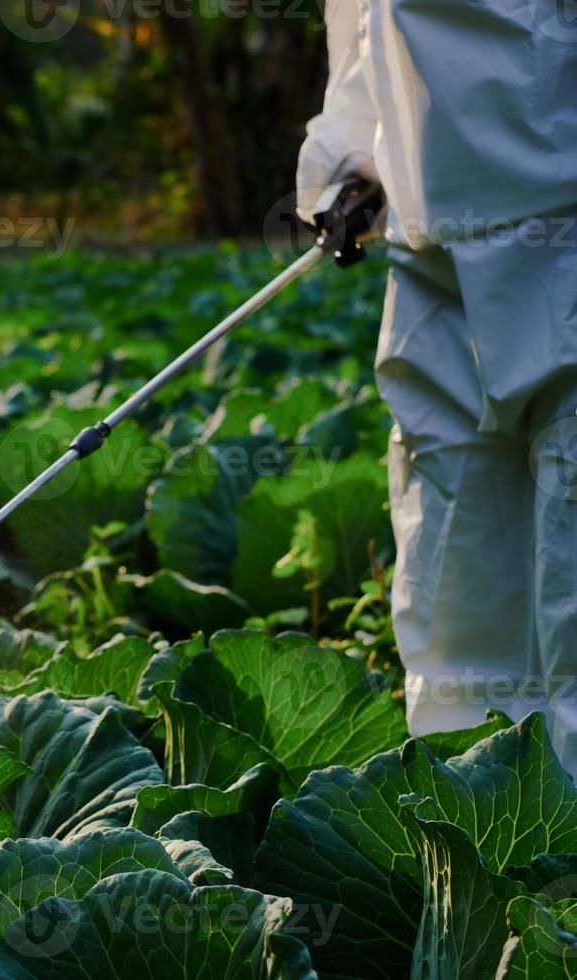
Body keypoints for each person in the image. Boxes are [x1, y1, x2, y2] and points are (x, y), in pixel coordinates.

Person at [296, 0, 577, 773]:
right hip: (432, 238)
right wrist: (355, 153)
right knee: (455, 552)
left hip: (561, 213)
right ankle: (483, 840)